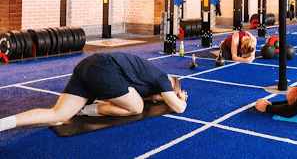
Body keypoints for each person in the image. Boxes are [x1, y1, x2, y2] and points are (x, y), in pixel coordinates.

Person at [0, 52, 187, 132]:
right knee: (137, 106)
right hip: (103, 68)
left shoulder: (149, 82)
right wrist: (181, 98)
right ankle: (87, 109)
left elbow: (152, 97)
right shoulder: (163, 78)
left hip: (88, 65)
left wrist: (159, 98)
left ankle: (4, 123)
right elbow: (178, 108)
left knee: (59, 116)